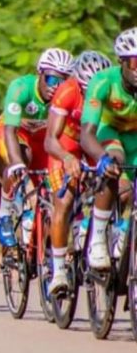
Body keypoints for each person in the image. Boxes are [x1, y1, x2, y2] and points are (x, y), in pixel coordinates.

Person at [44, 51, 111, 293]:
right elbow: (50, 140)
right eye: (86, 89)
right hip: (67, 144)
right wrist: (66, 157)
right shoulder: (67, 92)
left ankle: (99, 236)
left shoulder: (108, 90)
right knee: (64, 200)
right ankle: (59, 270)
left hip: (93, 141)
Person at [0, 48, 74, 248]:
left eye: (62, 82)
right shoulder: (20, 88)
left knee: (49, 187)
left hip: (41, 140)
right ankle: (4, 212)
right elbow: (10, 131)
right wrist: (17, 164)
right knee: (22, 159)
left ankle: (40, 247)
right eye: (51, 80)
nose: (56, 87)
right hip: (14, 134)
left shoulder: (67, 97)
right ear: (40, 74)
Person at [80, 27, 137, 270]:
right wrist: (101, 159)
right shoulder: (103, 81)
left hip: (135, 135)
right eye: (134, 63)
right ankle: (98, 239)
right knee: (114, 163)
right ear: (121, 62)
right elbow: (87, 134)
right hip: (108, 131)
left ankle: (125, 229)